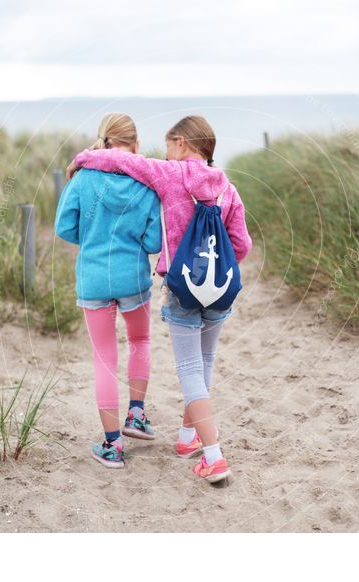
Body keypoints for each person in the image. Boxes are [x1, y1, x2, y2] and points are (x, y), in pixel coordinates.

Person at [67, 115, 252, 483]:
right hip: (221, 292)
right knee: (205, 362)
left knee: (189, 371)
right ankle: (187, 438)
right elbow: (242, 244)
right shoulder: (226, 186)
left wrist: (82, 159)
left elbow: (121, 160)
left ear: (181, 143)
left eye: (168, 146)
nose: (165, 154)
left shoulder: (171, 175)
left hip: (182, 290)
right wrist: (214, 274)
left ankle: (213, 456)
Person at [55, 113, 162, 469]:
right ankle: (136, 415)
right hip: (133, 279)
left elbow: (64, 227)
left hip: (94, 279)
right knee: (140, 342)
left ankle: (113, 446)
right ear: (134, 144)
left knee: (104, 358)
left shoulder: (83, 179)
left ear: (103, 140)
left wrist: (91, 239)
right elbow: (152, 242)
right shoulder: (145, 184)